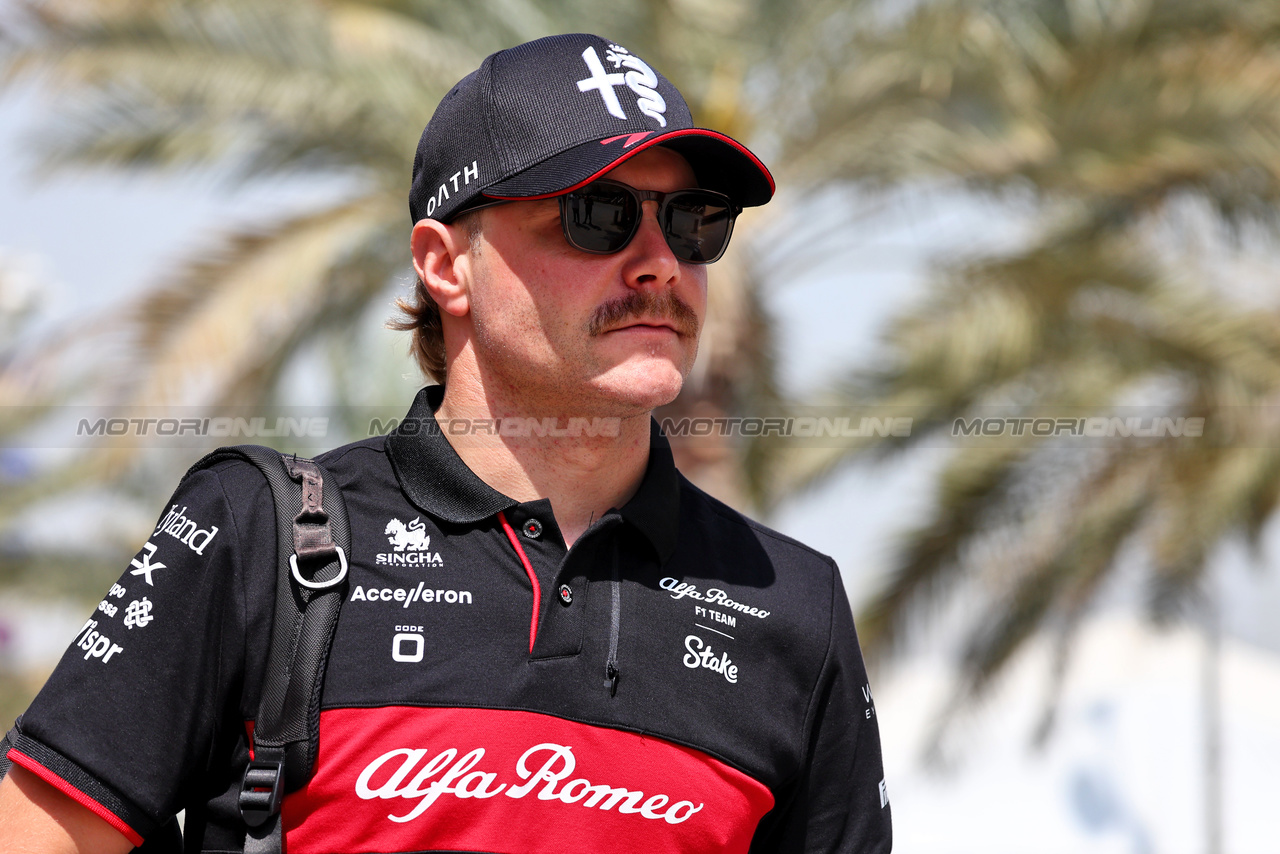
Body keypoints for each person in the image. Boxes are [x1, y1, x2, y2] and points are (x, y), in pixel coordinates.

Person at [0, 33, 892, 854]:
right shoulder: (257, 533)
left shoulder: (795, 607)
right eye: (597, 215)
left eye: (694, 222)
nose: (661, 261)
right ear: (444, 263)